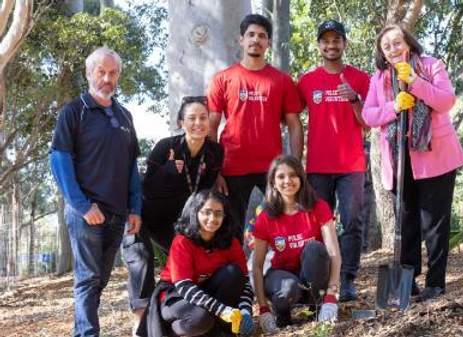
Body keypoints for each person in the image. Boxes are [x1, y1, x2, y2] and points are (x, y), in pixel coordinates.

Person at [361, 25, 463, 302]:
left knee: (434, 224)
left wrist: (417, 83)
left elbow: (446, 101)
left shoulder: (431, 66)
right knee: (405, 223)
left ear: (408, 44)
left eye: (398, 43)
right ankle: (407, 283)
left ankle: (435, 283)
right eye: (387, 46)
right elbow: (369, 115)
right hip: (398, 162)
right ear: (382, 53)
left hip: (436, 157)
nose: (393, 49)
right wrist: (394, 106)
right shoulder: (380, 78)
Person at [49, 47, 142, 337]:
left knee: (98, 279)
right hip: (86, 213)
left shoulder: (125, 116)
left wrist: (135, 208)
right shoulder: (73, 112)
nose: (107, 78)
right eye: (101, 72)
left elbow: (131, 166)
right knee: (88, 278)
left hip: (116, 214)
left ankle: (82, 330)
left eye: (112, 73)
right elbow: (59, 160)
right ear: (89, 74)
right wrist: (81, 205)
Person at [122, 96, 223, 327]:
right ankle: (140, 323)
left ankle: (180, 312)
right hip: (146, 216)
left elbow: (203, 193)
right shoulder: (165, 147)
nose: (198, 123)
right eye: (191, 118)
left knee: (193, 260)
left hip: (177, 222)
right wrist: (168, 171)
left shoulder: (215, 152)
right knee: (142, 259)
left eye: (203, 117)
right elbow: (146, 186)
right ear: (181, 122)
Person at [208, 14, 304, 242]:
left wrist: (295, 167)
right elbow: (211, 128)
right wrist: (215, 171)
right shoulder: (223, 79)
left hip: (272, 169)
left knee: (282, 226)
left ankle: (281, 275)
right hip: (231, 166)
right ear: (241, 39)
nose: (256, 40)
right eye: (251, 34)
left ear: (268, 42)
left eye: (262, 36)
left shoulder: (282, 81)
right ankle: (235, 277)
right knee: (230, 231)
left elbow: (294, 125)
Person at [297, 20, 370, 302]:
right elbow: (291, 115)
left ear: (344, 44)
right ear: (319, 45)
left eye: (336, 40)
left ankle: (348, 279)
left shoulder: (361, 78)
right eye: (325, 40)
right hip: (317, 166)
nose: (331, 45)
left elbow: (368, 122)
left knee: (352, 222)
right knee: (315, 224)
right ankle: (319, 280)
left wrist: (354, 99)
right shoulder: (307, 81)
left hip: (351, 166)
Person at [140, 190, 254, 337]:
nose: (212, 218)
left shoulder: (231, 243)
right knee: (200, 319)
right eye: (206, 212)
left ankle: (219, 330)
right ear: (195, 212)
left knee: (233, 272)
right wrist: (221, 310)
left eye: (218, 213)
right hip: (176, 295)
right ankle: (174, 332)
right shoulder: (182, 241)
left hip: (207, 292)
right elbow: (183, 285)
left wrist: (245, 310)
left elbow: (244, 282)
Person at [252, 155, 342, 333]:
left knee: (315, 249)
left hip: (311, 276)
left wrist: (331, 296)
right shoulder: (265, 217)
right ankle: (283, 314)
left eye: (293, 175)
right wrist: (263, 308)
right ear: (273, 181)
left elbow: (334, 253)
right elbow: (257, 266)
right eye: (281, 176)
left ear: (301, 177)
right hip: (282, 276)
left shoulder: (318, 207)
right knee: (288, 288)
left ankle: (317, 306)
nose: (288, 181)